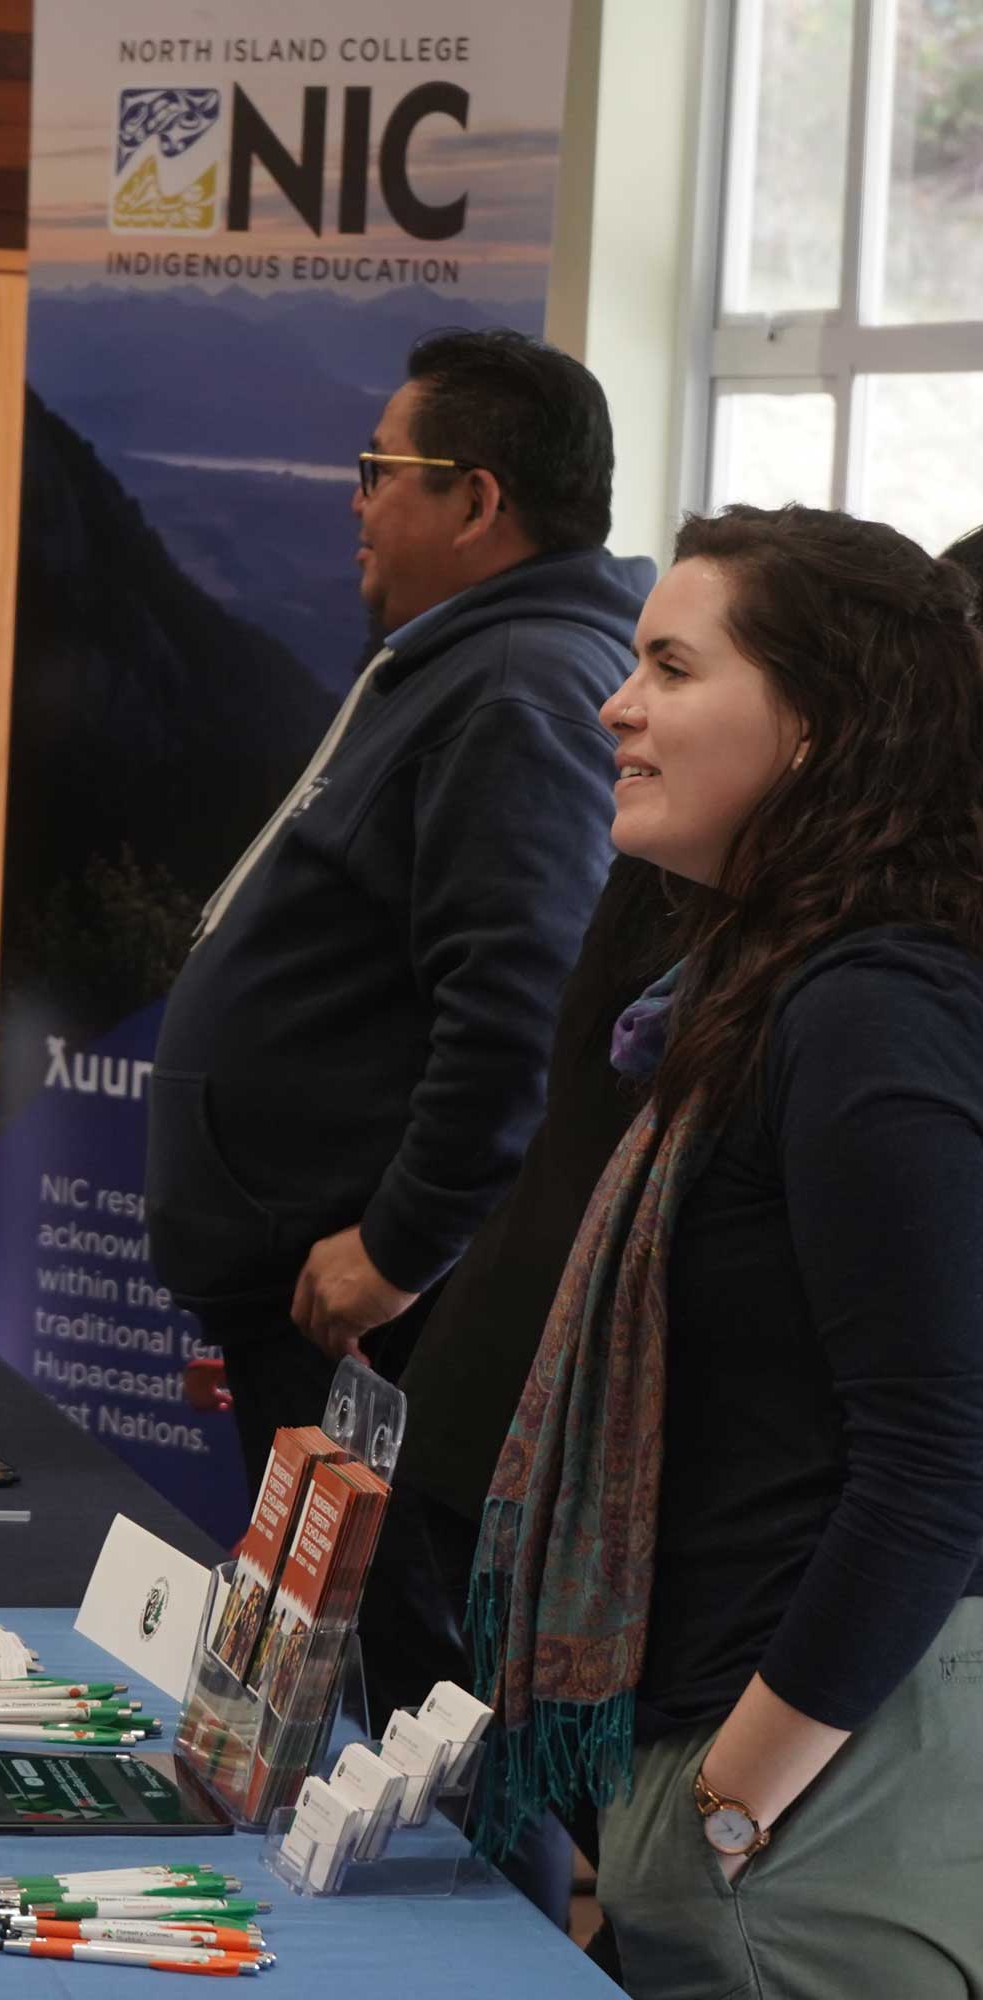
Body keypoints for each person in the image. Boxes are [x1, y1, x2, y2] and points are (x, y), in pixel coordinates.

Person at [471, 505, 983, 1998]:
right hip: (746, 1782)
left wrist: (733, 1808)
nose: (617, 706)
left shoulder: (871, 1008)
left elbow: (940, 1457)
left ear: (815, 727)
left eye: (672, 669)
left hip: (817, 1822)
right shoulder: (764, 981)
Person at [146, 328, 652, 1497]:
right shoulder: (461, 661)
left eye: (378, 471)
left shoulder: (515, 687)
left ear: (475, 501)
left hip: (358, 1308)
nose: (356, 503)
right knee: (324, 1648)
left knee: (372, 1655)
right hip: (309, 1288)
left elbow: (521, 1004)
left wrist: (395, 1247)